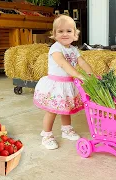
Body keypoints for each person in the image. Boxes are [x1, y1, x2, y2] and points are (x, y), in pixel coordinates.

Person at [33, 15, 94, 150]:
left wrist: (90, 73)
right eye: (60, 31)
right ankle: (47, 135)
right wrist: (78, 74)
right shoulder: (56, 49)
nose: (65, 34)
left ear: (74, 34)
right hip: (56, 84)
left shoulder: (73, 49)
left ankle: (66, 129)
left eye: (68, 31)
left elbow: (81, 61)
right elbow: (63, 63)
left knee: (66, 108)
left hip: (68, 84)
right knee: (52, 110)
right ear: (54, 34)